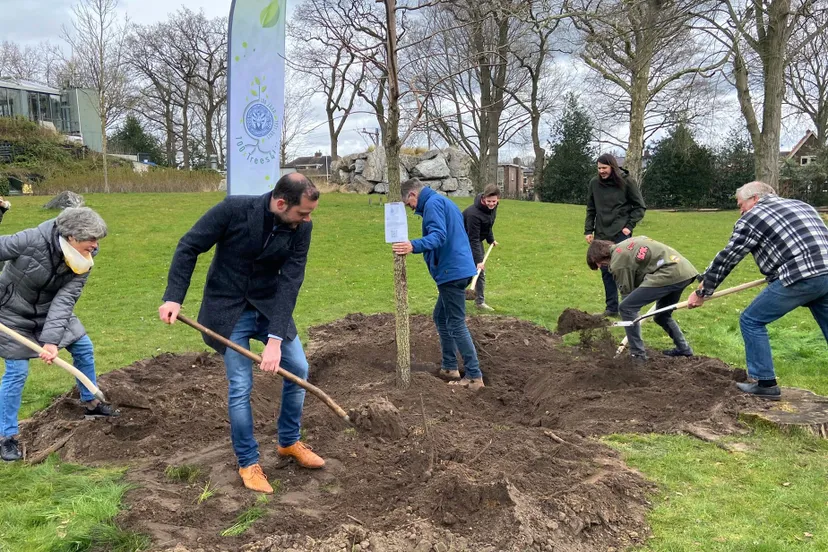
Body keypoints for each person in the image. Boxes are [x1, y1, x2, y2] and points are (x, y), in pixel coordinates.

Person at [158, 173, 323, 494]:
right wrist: (174, 297)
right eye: (303, 212)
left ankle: (289, 442)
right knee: (241, 384)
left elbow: (291, 281)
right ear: (280, 203)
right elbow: (188, 246)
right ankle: (248, 462)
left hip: (268, 305)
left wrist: (275, 339)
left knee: (298, 368)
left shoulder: (302, 228)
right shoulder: (233, 210)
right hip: (227, 308)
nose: (308, 219)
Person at [688, 181, 828, 399]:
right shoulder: (802, 205)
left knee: (751, 320)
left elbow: (729, 257)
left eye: (740, 203)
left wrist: (702, 292)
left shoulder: (753, 218)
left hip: (801, 276)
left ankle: (765, 383)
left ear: (754, 199)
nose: (740, 209)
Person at [0, 207, 118, 462]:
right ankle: (6, 437)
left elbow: (65, 301)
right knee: (17, 371)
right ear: (71, 237)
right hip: (10, 314)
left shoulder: (84, 260)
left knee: (83, 347)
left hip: (49, 312)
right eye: (91, 240)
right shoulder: (31, 239)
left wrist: (51, 341)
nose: (95, 246)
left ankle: (92, 404)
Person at [392, 178, 485, 390]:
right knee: (440, 317)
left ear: (413, 195)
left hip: (451, 271)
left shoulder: (433, 205)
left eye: (409, 204)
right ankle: (449, 366)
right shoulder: (443, 202)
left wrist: (412, 246)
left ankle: (473, 375)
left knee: (455, 322)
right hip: (459, 268)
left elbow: (439, 236)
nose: (411, 208)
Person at [587, 236, 698, 361]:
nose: (600, 266)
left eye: (598, 264)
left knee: (626, 307)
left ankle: (638, 355)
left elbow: (627, 297)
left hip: (668, 273)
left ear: (598, 257)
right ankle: (684, 349)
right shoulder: (624, 245)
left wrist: (629, 316)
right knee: (662, 315)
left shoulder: (618, 263)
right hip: (684, 271)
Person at [584, 154, 647, 317]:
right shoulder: (594, 183)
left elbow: (640, 207)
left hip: (621, 234)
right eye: (598, 168)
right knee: (606, 271)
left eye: (604, 168)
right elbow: (591, 209)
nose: (601, 171)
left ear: (612, 167)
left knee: (623, 270)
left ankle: (630, 308)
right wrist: (588, 230)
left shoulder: (627, 182)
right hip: (601, 234)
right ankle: (611, 308)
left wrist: (628, 226)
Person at [463, 184, 500, 311]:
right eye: (489, 201)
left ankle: (479, 302)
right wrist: (479, 261)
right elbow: (473, 238)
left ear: (498, 199)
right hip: (464, 240)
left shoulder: (492, 208)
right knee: (473, 270)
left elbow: (488, 225)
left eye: (494, 201)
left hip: (475, 239)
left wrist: (491, 239)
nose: (491, 204)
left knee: (479, 272)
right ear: (483, 199)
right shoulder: (474, 214)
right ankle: (454, 294)